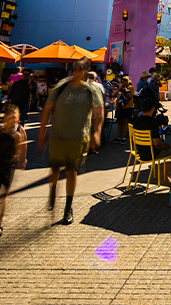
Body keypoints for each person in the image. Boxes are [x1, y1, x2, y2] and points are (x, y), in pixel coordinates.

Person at [38, 57, 104, 225]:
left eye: (78, 69)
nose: (74, 73)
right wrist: (41, 133)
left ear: (85, 71)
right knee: (53, 170)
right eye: (73, 69)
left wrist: (96, 133)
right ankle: (53, 190)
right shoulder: (61, 87)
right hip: (57, 136)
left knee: (70, 171)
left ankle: (68, 206)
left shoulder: (90, 90)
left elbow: (99, 112)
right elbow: (47, 109)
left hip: (78, 137)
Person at [0, 104, 27, 238]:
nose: (12, 120)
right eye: (9, 117)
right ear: (4, 119)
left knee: (4, 195)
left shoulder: (19, 132)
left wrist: (22, 160)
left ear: (18, 119)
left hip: (9, 166)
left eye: (15, 117)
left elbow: (23, 147)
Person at [114, 76, 134, 144]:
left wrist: (125, 90)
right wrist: (119, 89)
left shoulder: (130, 88)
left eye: (124, 82)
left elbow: (130, 96)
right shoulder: (120, 88)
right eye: (122, 82)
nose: (123, 83)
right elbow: (115, 94)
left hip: (127, 107)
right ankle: (118, 137)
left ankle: (124, 137)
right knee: (119, 122)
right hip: (119, 107)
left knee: (125, 122)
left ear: (127, 82)